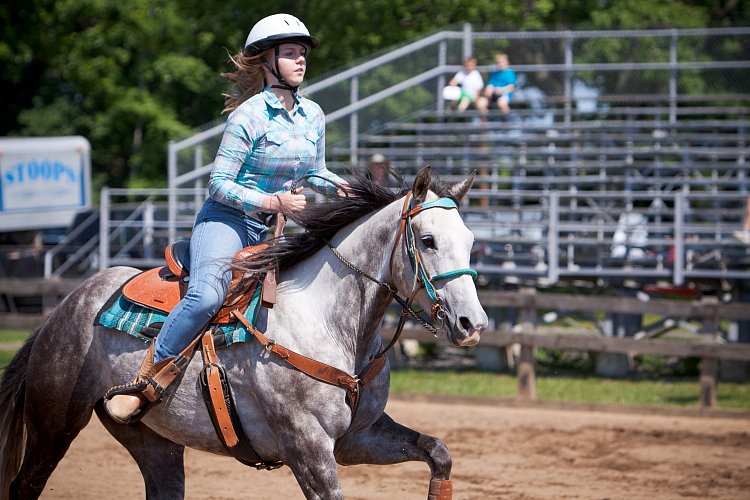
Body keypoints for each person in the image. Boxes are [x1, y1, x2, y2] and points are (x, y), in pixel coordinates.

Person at [105, 13, 347, 424]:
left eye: (302, 53)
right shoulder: (248, 116)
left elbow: (315, 172)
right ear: (267, 61)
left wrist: (346, 190)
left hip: (273, 228)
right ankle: (147, 382)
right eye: (290, 53)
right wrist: (274, 203)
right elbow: (219, 184)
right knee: (206, 296)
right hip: (228, 220)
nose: (301, 61)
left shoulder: (314, 115)